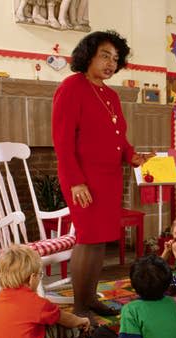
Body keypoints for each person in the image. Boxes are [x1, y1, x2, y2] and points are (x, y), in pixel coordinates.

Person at [52, 30, 150, 320]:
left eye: (115, 58)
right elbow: (62, 141)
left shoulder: (111, 95)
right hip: (83, 179)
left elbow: (119, 137)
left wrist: (132, 155)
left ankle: (90, 298)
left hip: (109, 179)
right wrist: (76, 181)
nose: (111, 63)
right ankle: (81, 308)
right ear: (88, 56)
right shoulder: (71, 87)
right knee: (87, 238)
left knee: (100, 241)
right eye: (105, 55)